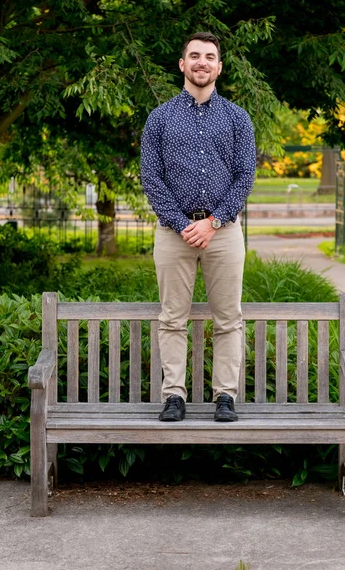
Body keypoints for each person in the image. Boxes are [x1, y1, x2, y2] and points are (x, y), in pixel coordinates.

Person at [141, 32, 256, 422]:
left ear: (219, 66)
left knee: (228, 319)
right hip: (173, 235)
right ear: (182, 65)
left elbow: (245, 177)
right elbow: (151, 178)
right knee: (172, 319)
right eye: (194, 56)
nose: (202, 62)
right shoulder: (159, 118)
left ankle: (225, 396)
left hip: (224, 233)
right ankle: (173, 396)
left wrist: (214, 222)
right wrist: (181, 224)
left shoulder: (238, 118)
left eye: (209, 56)